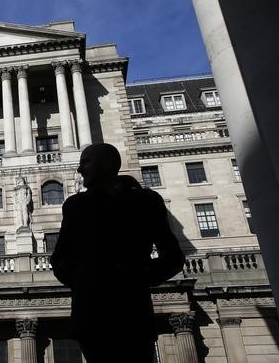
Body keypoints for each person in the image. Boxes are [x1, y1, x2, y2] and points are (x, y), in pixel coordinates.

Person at [50, 143, 185, 362]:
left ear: (107, 164)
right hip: (92, 317)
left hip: (132, 313)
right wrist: (83, 279)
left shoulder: (146, 202)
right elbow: (59, 259)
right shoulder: (75, 205)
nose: (80, 169)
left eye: (86, 162)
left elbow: (173, 257)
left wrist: (139, 274)